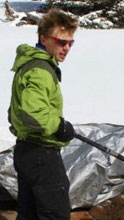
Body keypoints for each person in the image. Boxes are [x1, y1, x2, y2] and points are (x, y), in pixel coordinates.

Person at [8, 9, 78, 220]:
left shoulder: (29, 64)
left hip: (26, 150)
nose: (66, 48)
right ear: (43, 38)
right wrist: (59, 127)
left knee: (29, 214)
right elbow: (32, 114)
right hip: (41, 153)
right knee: (55, 214)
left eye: (70, 43)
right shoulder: (40, 70)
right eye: (61, 42)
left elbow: (15, 113)